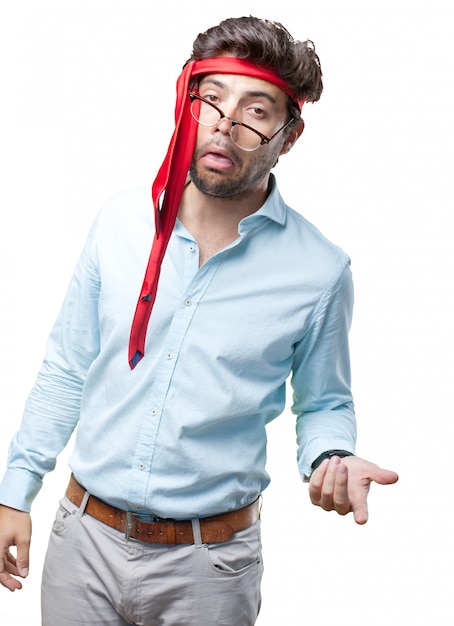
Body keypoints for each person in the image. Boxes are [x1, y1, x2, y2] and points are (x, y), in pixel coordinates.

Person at [0, 15, 398, 625]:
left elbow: (322, 403)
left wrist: (331, 460)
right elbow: (66, 365)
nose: (225, 124)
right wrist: (14, 492)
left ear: (287, 136)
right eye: (210, 99)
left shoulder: (320, 271)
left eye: (256, 110)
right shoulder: (118, 222)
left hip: (210, 570)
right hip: (83, 544)